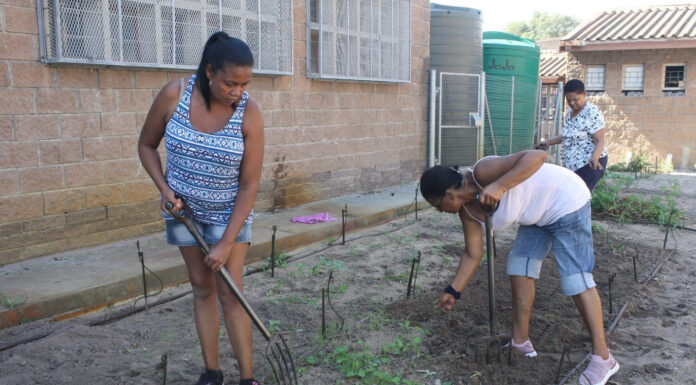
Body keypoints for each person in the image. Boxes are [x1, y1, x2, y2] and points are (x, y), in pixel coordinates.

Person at [420, 150, 619, 385]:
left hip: (566, 200)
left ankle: (603, 357)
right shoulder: (466, 212)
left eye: (437, 205)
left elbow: (537, 156)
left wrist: (499, 186)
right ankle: (520, 343)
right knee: (519, 266)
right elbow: (473, 253)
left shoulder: (482, 172)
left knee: (575, 279)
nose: (440, 211)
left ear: (449, 194)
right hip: (537, 215)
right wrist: (453, 291)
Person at [138, 31, 264, 385]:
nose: (237, 91)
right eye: (230, 83)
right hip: (184, 211)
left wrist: (225, 242)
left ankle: (247, 378)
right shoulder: (173, 95)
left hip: (230, 214)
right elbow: (146, 145)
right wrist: (164, 189)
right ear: (209, 71)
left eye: (244, 84)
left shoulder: (250, 113)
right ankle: (212, 372)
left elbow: (249, 184)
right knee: (201, 285)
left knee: (230, 292)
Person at [536, 79, 608, 191]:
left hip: (589, 164)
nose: (572, 103)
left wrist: (595, 158)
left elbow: (599, 140)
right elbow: (568, 135)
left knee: (579, 198)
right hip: (572, 166)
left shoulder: (592, 112)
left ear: (584, 94)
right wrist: (547, 142)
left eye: (576, 100)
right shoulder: (570, 112)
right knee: (569, 197)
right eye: (569, 100)